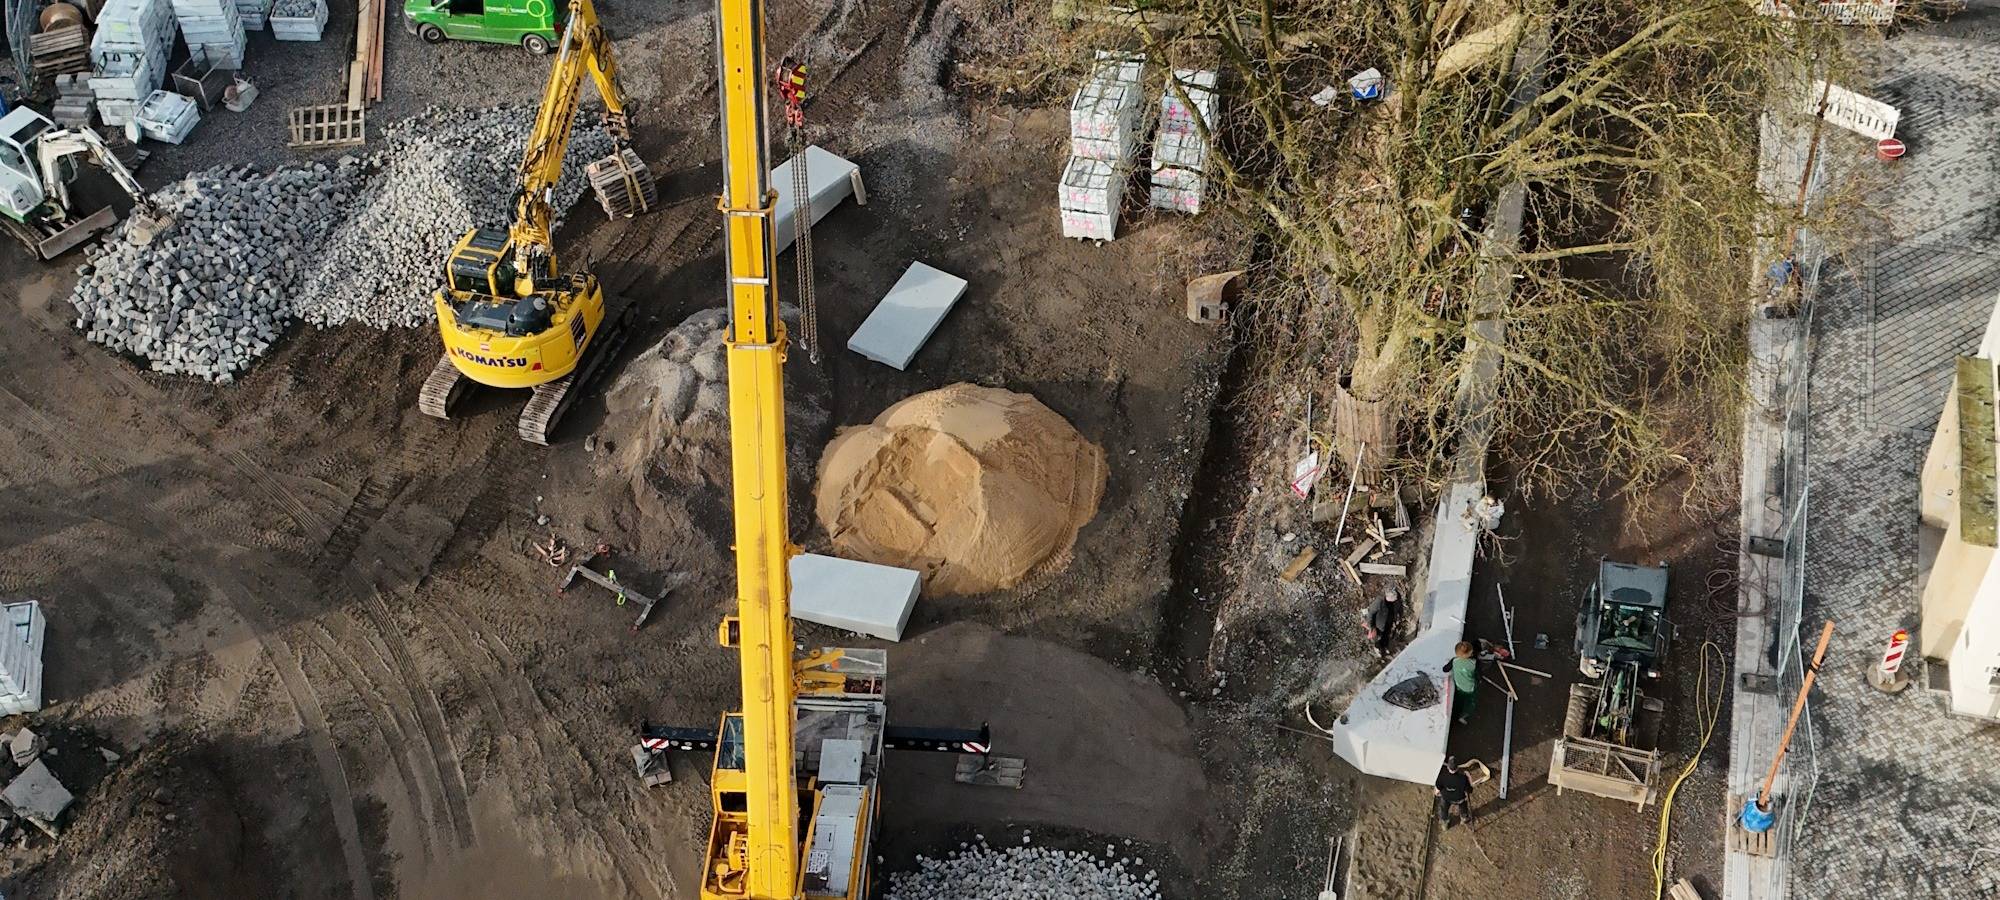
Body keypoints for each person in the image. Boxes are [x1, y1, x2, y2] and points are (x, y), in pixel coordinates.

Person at [1434, 756, 1475, 828]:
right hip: (1459, 798)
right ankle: (1464, 818)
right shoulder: (1463, 778)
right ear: (1457, 767)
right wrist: (1469, 777)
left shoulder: (1442, 777)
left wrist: (1437, 793)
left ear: (1448, 767)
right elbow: (1469, 790)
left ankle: (1444, 823)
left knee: (1443, 808)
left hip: (1446, 798)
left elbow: (1437, 790)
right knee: (1463, 806)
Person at [1443, 641, 1478, 724]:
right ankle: (1463, 715)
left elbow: (1445, 669)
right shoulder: (1474, 663)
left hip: (1458, 686)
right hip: (1470, 688)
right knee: (1470, 702)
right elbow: (1478, 676)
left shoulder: (1454, 660)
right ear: (1468, 654)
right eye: (1471, 652)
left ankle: (1456, 712)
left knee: (1460, 700)